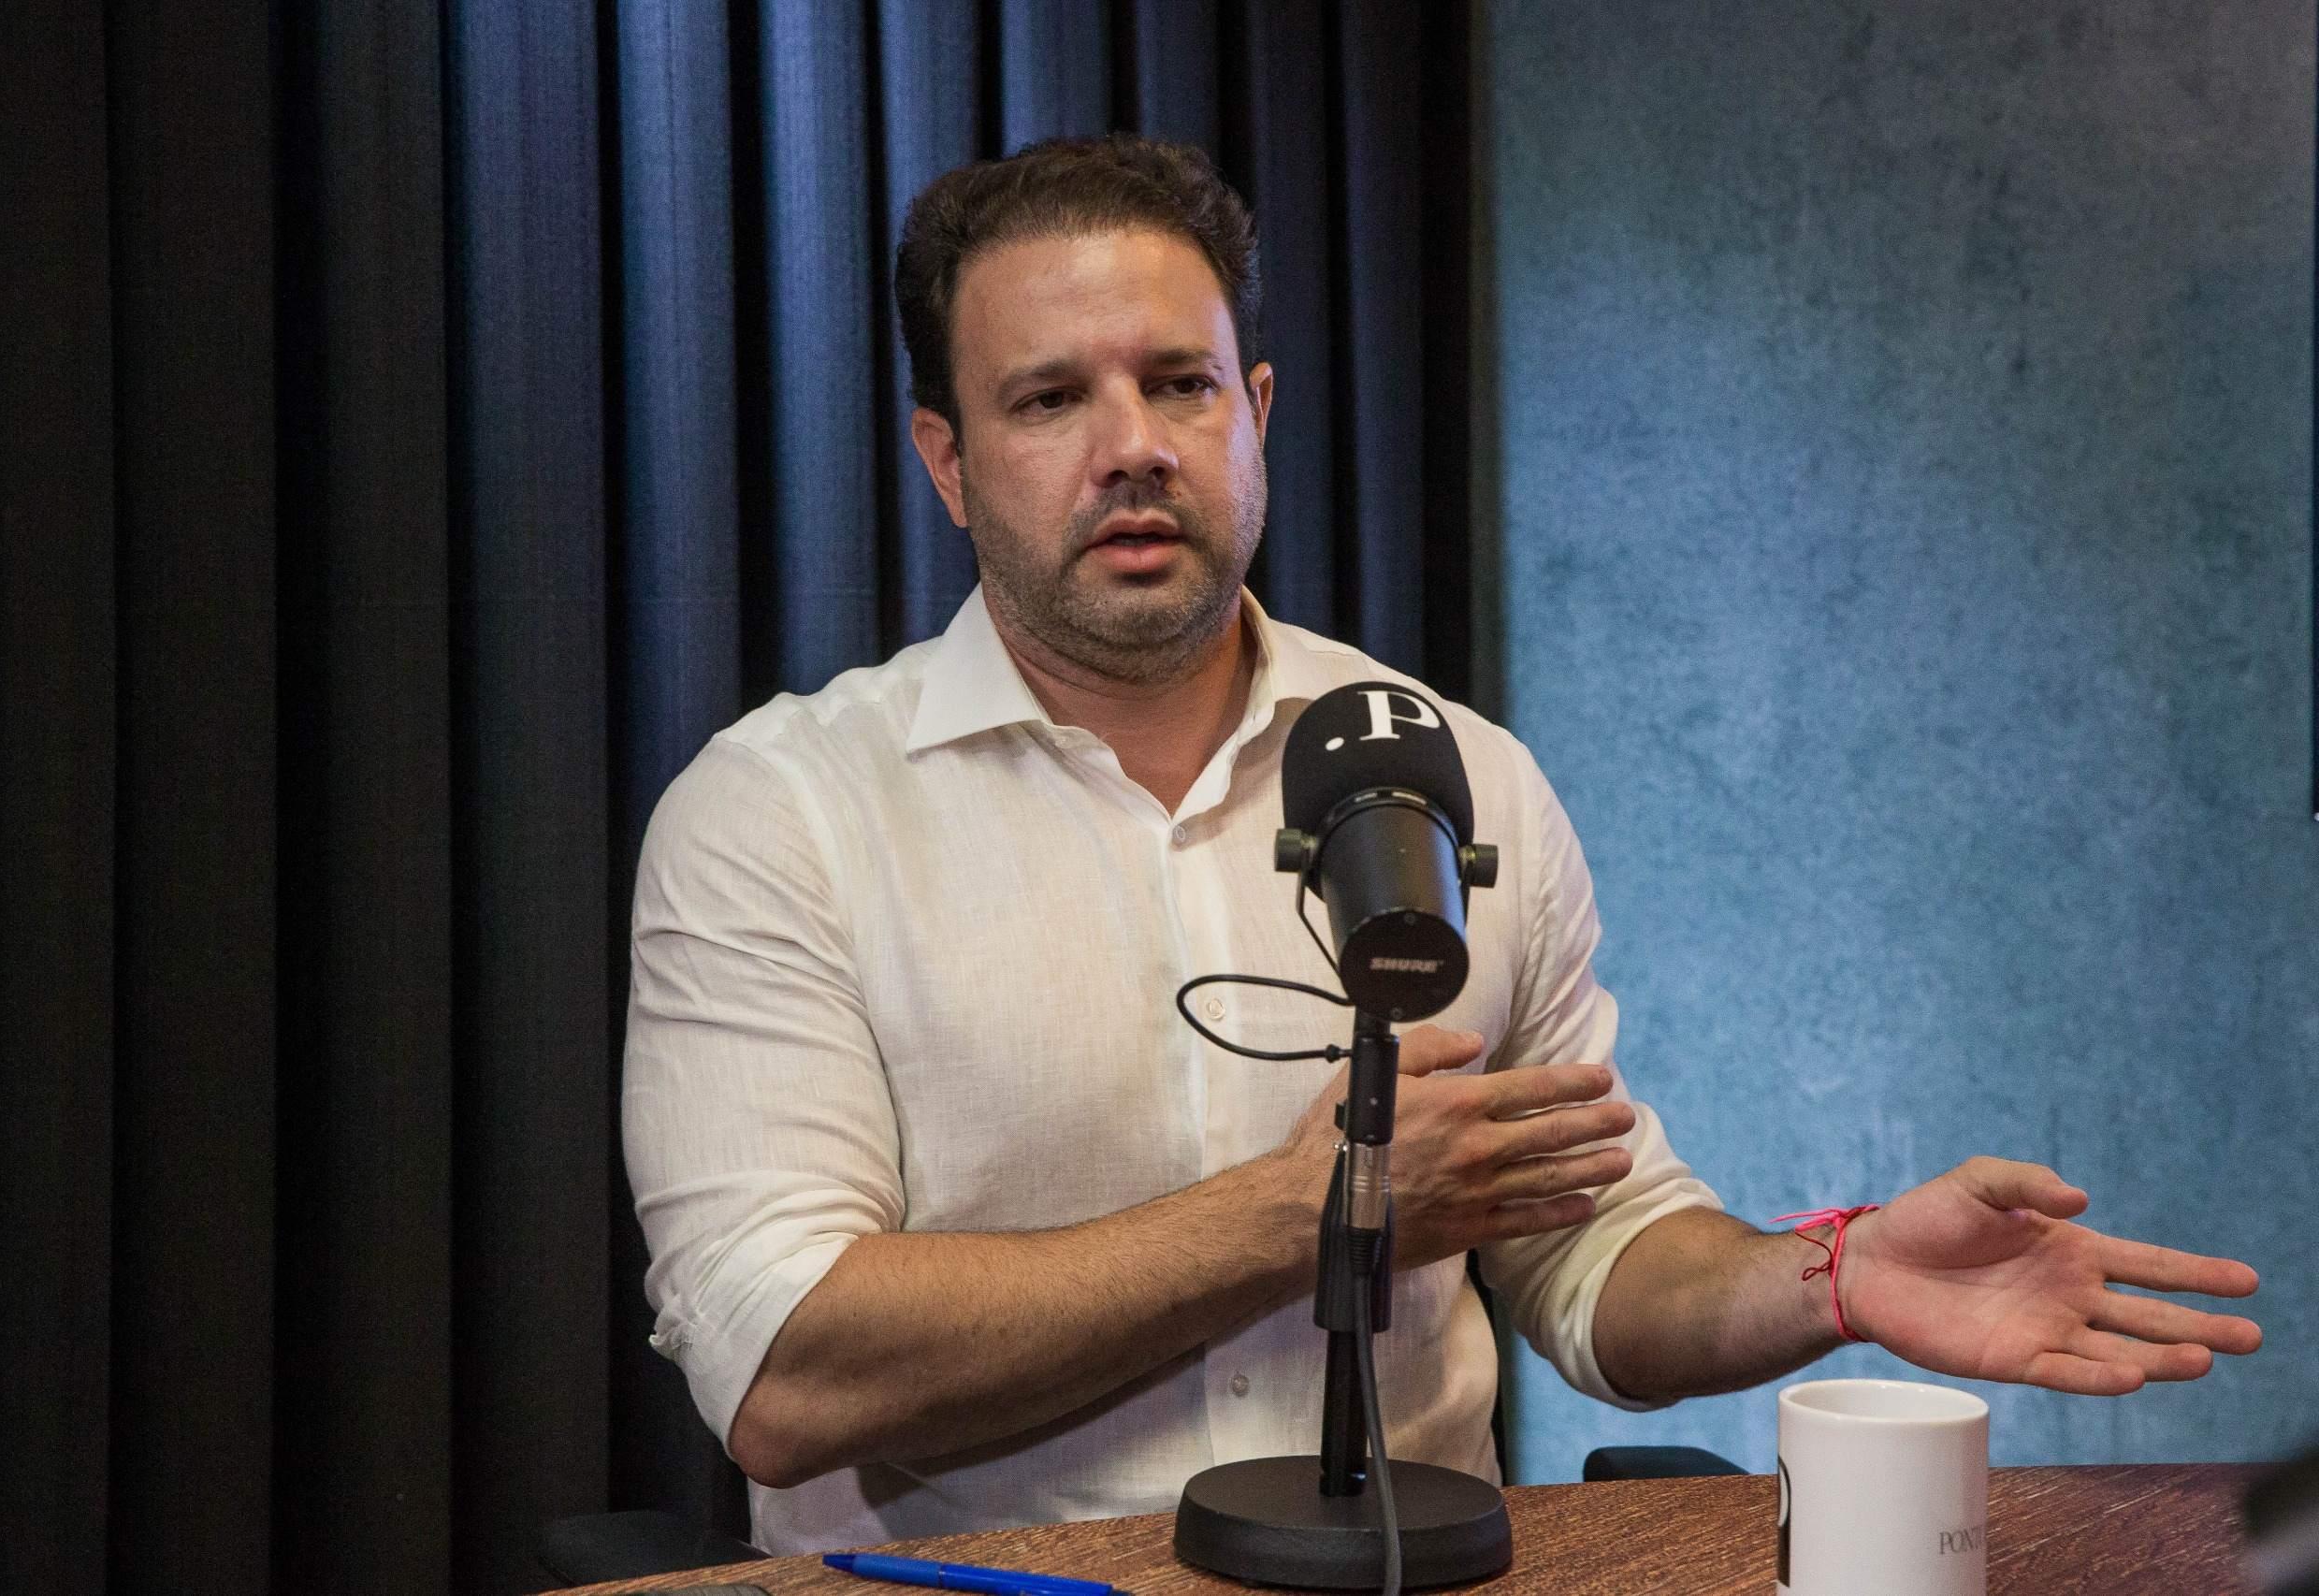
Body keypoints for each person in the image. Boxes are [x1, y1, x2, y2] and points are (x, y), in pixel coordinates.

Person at [621, 135, 2261, 1555]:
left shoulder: (1462, 773)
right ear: (948, 460)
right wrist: (1308, 1212)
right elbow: (784, 1368)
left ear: (1256, 412)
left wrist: (1833, 1275)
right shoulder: (781, 814)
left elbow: (1591, 1254)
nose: (1134, 444)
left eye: (1181, 383)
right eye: (1051, 397)